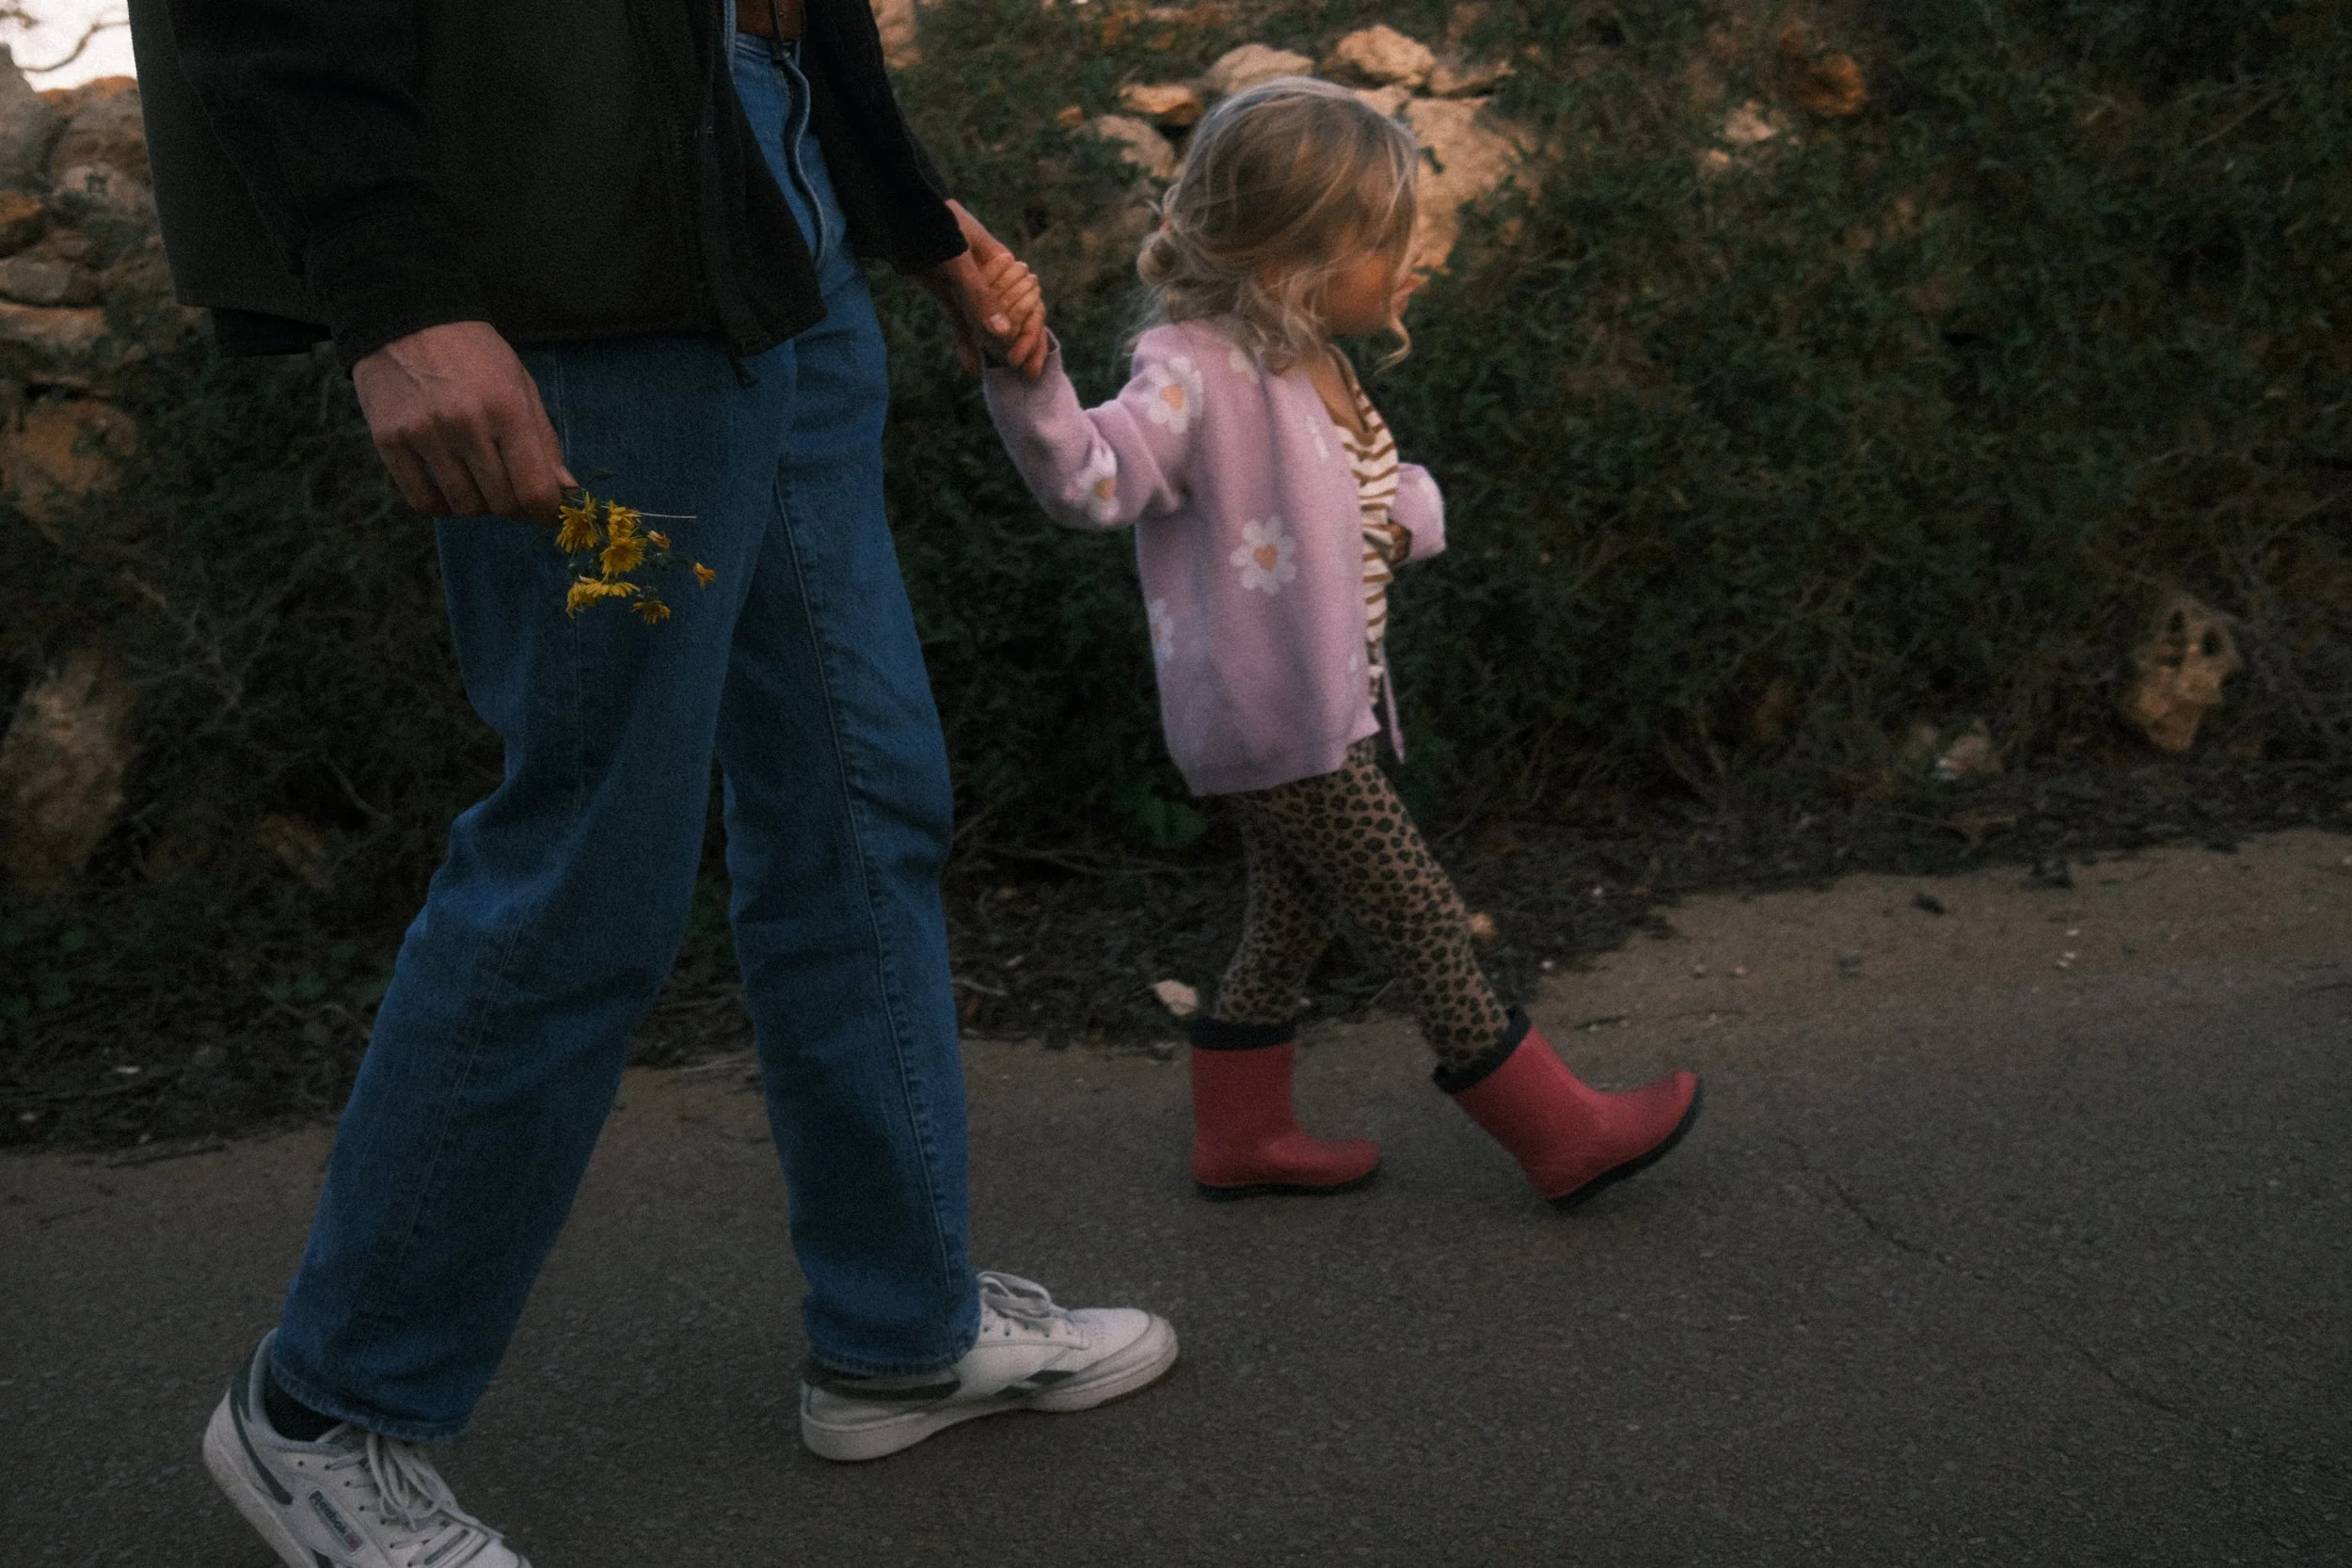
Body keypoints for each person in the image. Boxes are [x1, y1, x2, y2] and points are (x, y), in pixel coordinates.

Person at [125, 1, 1176, 1563]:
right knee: (593, 852)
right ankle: (326, 1412)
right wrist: (394, 290)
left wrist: (897, 204)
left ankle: (898, 1329)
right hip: (575, 252)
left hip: (767, 205)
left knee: (861, 791)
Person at [976, 78, 1703, 1205]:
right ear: (1295, 255)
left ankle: (1241, 1136)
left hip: (1325, 708)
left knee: (1290, 912)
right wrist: (1029, 381)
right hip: (1275, 716)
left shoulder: (1310, 354)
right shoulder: (1195, 368)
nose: (1409, 261)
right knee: (1416, 912)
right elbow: (1092, 475)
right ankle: (1561, 1130)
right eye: (1383, 240)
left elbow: (1344, 494)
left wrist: (1408, 514)